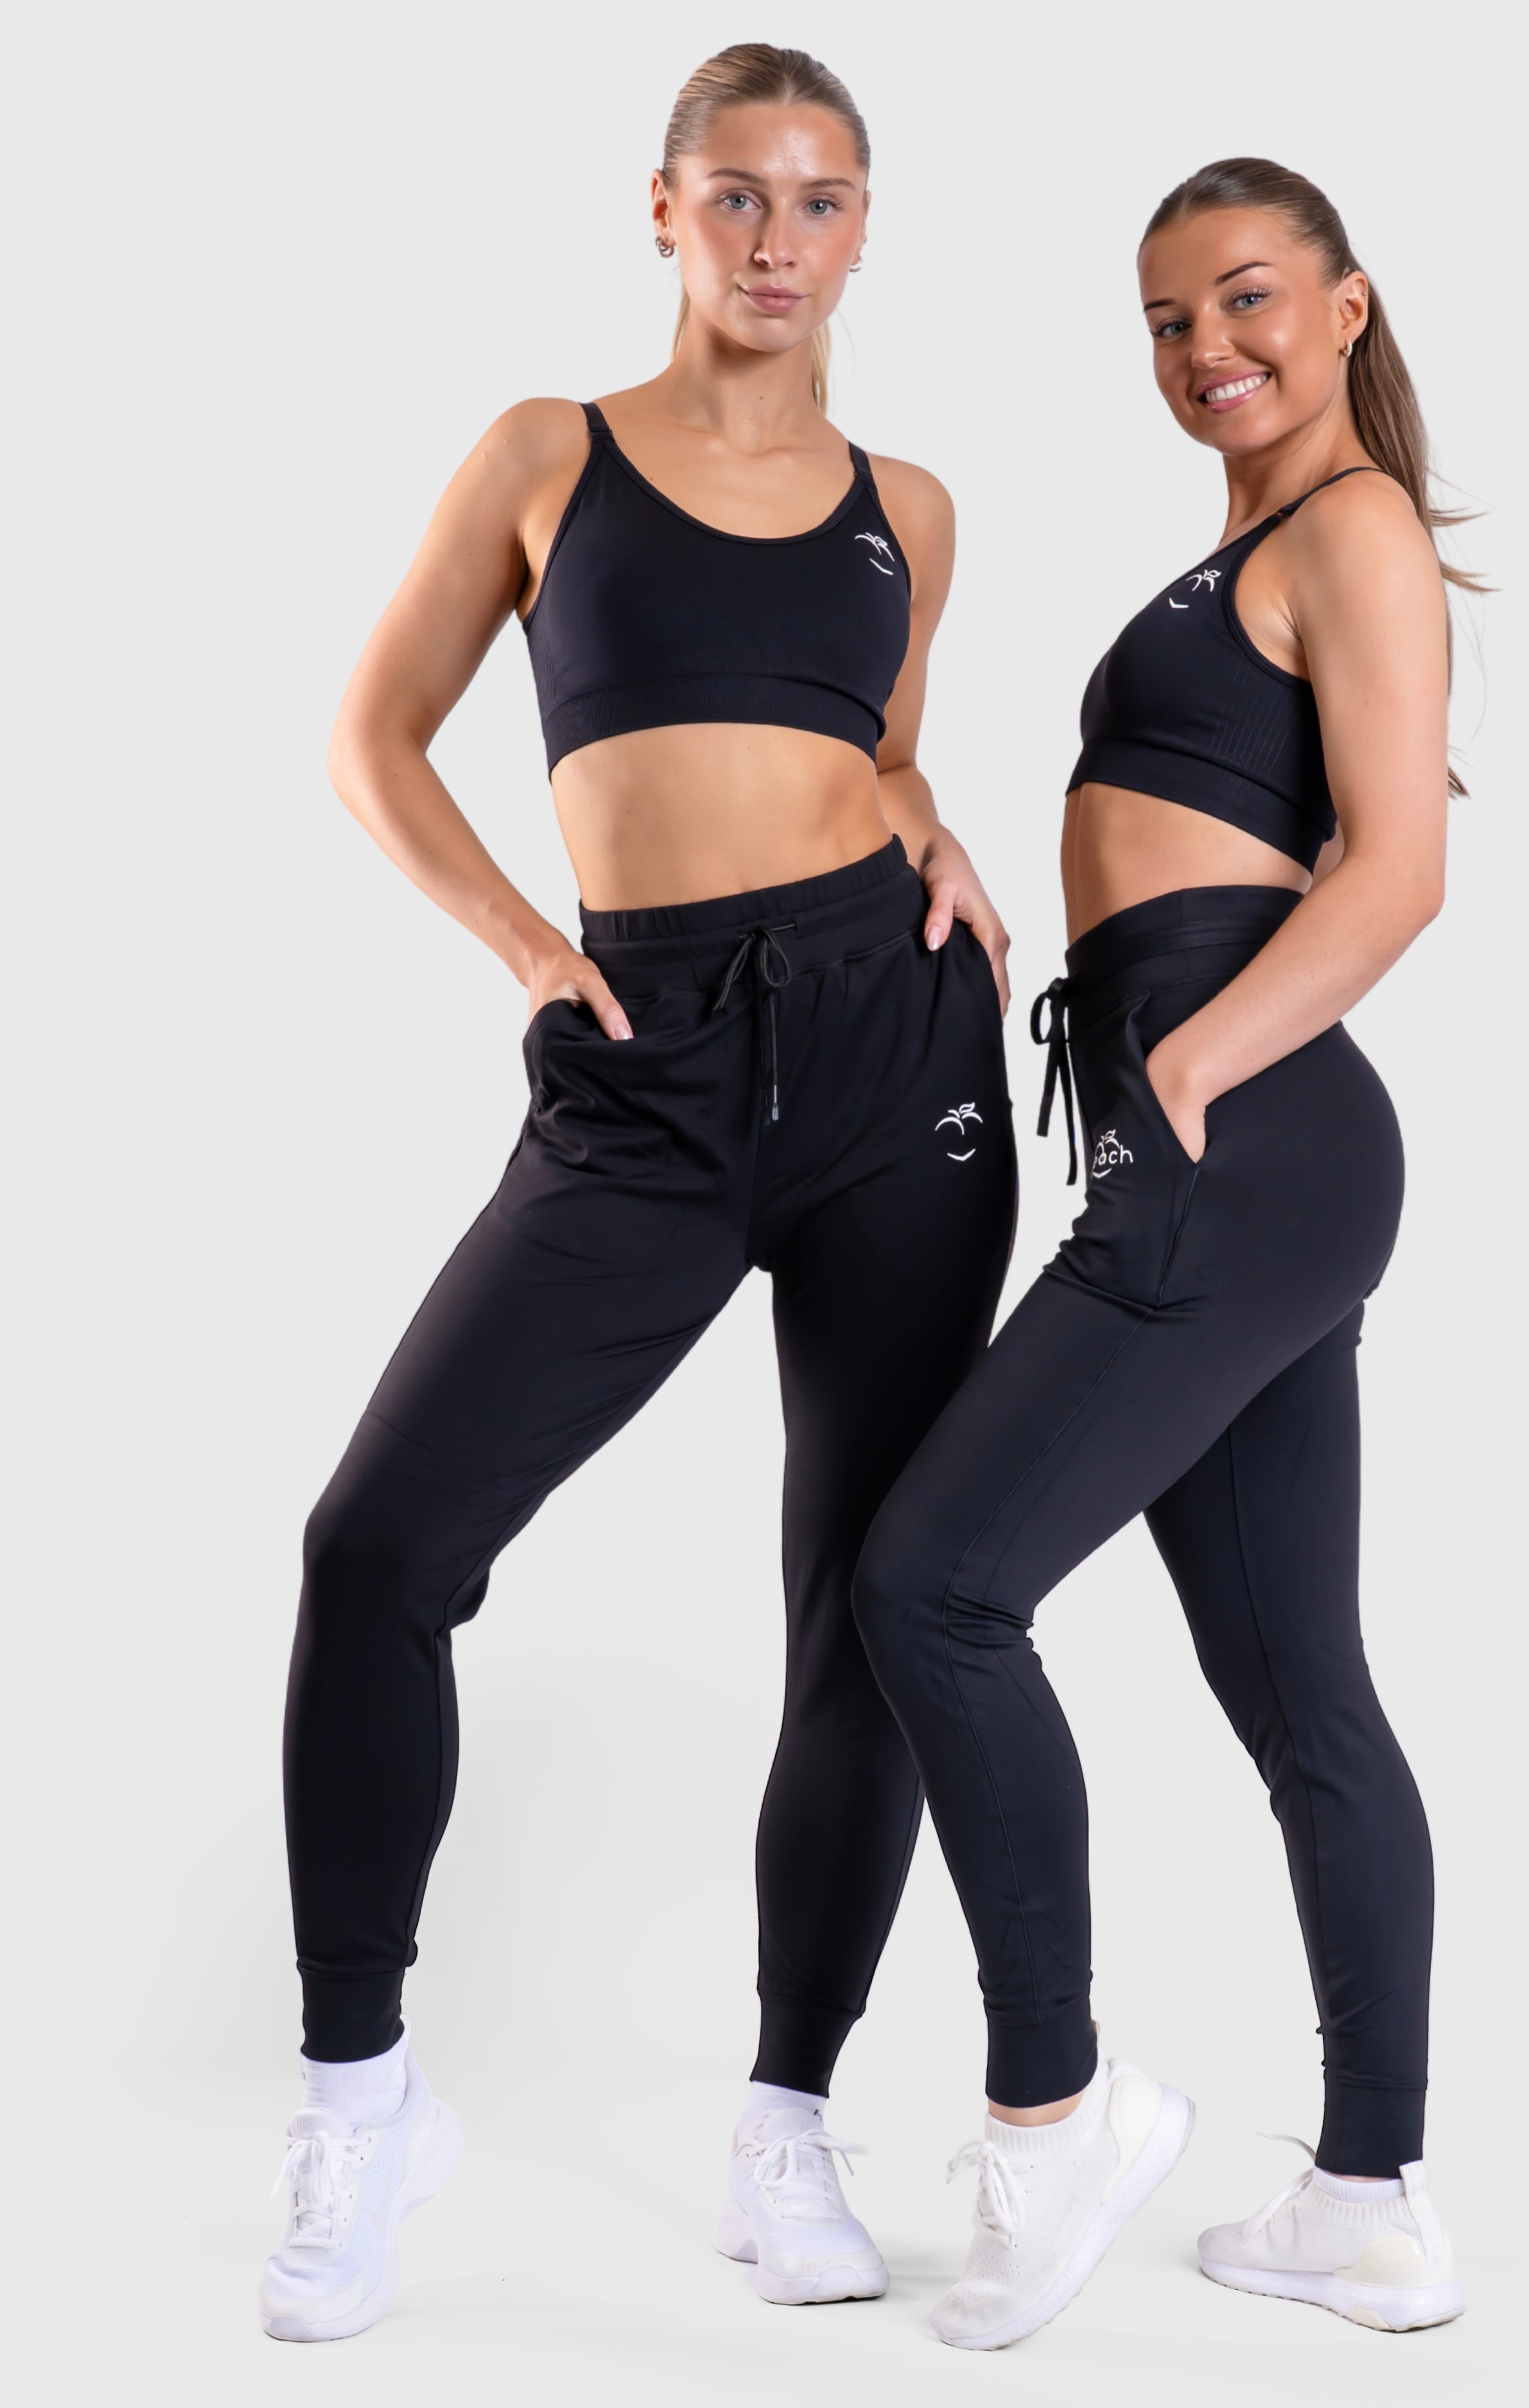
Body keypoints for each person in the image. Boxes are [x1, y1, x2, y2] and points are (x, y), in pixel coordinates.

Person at [261, 44, 1016, 2343]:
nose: (782, 238)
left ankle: (788, 2122)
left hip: (897, 1059)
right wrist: (528, 948)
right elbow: (371, 735)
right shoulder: (547, 455)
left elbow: (880, 750)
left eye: (824, 199)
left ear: (867, 229)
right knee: (379, 1548)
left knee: (868, 1600)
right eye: (740, 194)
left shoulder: (913, 504)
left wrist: (940, 835)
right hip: (646, 1064)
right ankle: (360, 2099)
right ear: (664, 210)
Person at [853, 157, 1475, 2350]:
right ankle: (1373, 2203)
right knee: (1301, 1689)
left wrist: (1188, 1065)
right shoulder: (1251, 548)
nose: (1208, 348)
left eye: (1247, 299)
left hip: (1244, 1131)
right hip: (1244, 1148)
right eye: (1167, 319)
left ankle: (1059, 2114)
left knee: (933, 1588)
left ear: (1346, 306)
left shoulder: (1356, 530)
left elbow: (1395, 872)